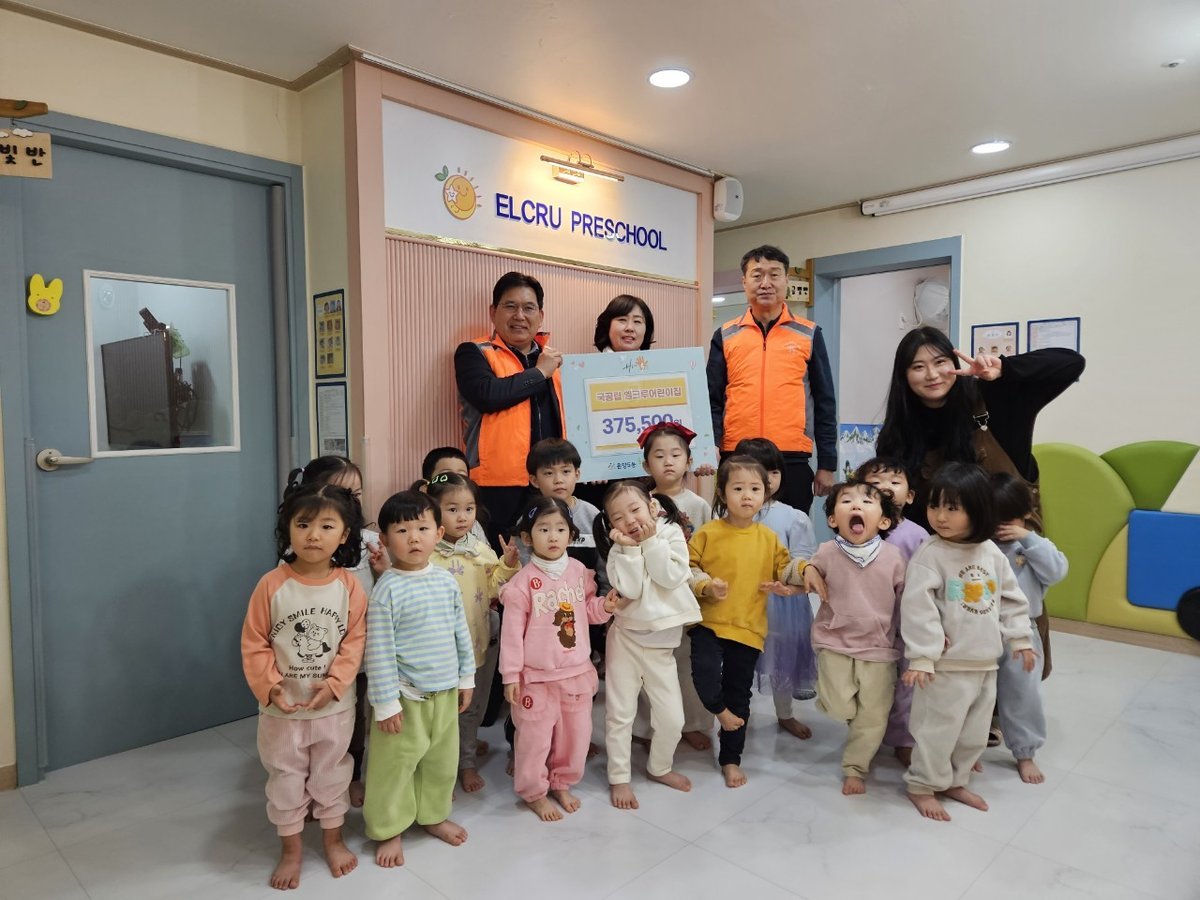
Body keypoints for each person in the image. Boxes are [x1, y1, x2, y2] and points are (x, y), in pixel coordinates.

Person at [241, 482, 367, 890]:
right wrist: (269, 686)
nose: (314, 535)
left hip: (334, 708)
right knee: (285, 778)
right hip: (282, 711)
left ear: (344, 535)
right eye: (303, 524)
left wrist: (335, 684)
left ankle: (333, 840)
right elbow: (255, 641)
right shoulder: (271, 584)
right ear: (288, 529)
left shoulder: (349, 586)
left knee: (332, 774)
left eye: (327, 526)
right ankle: (291, 850)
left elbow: (354, 642)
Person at [900, 463, 1035, 821]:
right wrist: (923, 656)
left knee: (973, 735)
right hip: (945, 668)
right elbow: (917, 609)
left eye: (952, 508)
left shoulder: (990, 553)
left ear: (978, 510)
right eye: (934, 506)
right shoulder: (930, 554)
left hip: (985, 663)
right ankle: (922, 784)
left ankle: (955, 781)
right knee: (937, 732)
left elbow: (1011, 599)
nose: (940, 516)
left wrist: (1020, 638)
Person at [363, 491, 474, 866]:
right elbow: (378, 650)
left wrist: (466, 678)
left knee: (441, 762)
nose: (413, 538)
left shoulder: (445, 581)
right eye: (402, 530)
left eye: (423, 528)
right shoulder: (387, 589)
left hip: (445, 694)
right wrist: (385, 703)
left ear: (438, 533)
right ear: (384, 539)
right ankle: (389, 828)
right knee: (394, 767)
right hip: (405, 698)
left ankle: (433, 816)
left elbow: (460, 631)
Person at [687, 455, 807, 788]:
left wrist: (804, 571)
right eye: (738, 488)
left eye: (755, 489)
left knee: (739, 694)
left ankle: (730, 759)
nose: (747, 496)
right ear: (722, 493)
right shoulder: (708, 533)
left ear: (765, 494)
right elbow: (689, 568)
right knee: (705, 677)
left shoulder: (767, 538)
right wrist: (707, 585)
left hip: (749, 630)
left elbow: (786, 568)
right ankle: (720, 712)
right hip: (709, 623)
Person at [500, 495, 616, 821]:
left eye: (560, 529)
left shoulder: (579, 572)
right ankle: (534, 792)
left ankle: (562, 782)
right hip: (536, 679)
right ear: (527, 537)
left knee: (575, 738)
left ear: (571, 535)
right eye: (544, 529)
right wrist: (511, 676)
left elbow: (587, 612)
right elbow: (511, 634)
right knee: (534, 741)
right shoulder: (522, 583)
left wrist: (605, 607)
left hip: (576, 673)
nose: (553, 536)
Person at [283, 455, 386, 808]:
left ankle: (351, 775)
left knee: (355, 718)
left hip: (359, 654)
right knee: (318, 720)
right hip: (315, 658)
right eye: (343, 493)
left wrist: (385, 570)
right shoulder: (302, 546)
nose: (351, 502)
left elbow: (386, 595)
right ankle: (311, 778)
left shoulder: (370, 542)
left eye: (356, 494)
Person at [595, 481, 701, 809]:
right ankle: (619, 777)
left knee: (672, 718)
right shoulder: (618, 549)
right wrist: (629, 549)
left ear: (652, 507)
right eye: (618, 517)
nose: (629, 520)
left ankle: (660, 767)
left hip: (661, 648)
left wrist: (650, 542)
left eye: (635, 509)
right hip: (625, 640)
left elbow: (669, 576)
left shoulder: (671, 534)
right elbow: (631, 590)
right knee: (620, 714)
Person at [707, 245, 837, 514]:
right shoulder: (725, 335)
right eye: (757, 275)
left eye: (774, 274)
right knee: (737, 533)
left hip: (791, 458)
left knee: (790, 532)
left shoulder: (809, 334)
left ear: (786, 280)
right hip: (737, 456)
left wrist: (827, 463)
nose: (765, 283)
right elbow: (712, 399)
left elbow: (825, 401)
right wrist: (713, 444)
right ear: (744, 282)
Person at [802, 481, 906, 795]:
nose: (857, 505)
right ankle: (851, 719)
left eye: (867, 502)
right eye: (847, 501)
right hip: (834, 640)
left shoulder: (894, 557)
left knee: (873, 716)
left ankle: (855, 767)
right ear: (833, 519)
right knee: (838, 707)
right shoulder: (827, 551)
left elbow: (908, 602)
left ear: (884, 522)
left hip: (879, 648)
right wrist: (806, 569)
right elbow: (809, 571)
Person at [424, 473, 520, 794]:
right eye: (452, 509)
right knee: (437, 713)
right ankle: (437, 768)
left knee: (470, 709)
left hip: (475, 645)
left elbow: (493, 588)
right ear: (433, 509)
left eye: (469, 508)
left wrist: (507, 565)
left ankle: (466, 763)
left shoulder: (480, 550)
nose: (462, 516)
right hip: (436, 652)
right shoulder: (425, 553)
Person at [455, 272, 564, 548]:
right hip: (496, 486)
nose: (520, 316)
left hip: (548, 482)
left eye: (528, 308)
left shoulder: (553, 361)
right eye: (510, 306)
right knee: (499, 561)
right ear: (493, 312)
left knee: (549, 557)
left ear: (540, 315)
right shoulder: (474, 352)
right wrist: (539, 373)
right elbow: (488, 395)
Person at [637, 421, 714, 750]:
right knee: (648, 664)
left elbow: (709, 551)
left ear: (688, 461)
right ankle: (647, 728)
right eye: (659, 456)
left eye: (675, 455)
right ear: (646, 465)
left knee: (685, 661)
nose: (668, 461)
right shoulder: (639, 503)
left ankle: (692, 723)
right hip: (648, 595)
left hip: (685, 595)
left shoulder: (698, 505)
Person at [735, 437, 819, 740]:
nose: (768, 479)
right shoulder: (728, 517)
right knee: (740, 662)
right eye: (760, 471)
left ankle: (785, 714)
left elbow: (802, 561)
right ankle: (738, 715)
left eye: (774, 471)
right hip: (742, 604)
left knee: (781, 658)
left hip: (782, 606)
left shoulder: (793, 517)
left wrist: (784, 577)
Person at [991, 472, 1067, 784]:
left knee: (1023, 694)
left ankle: (1025, 752)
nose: (1000, 527)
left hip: (1021, 632)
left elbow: (1057, 571)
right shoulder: (977, 544)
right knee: (971, 692)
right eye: (993, 518)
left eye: (1008, 519)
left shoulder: (1032, 546)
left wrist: (1028, 537)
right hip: (978, 629)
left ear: (1025, 514)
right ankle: (965, 747)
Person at [855, 456, 929, 766]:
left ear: (909, 496)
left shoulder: (917, 535)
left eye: (895, 482)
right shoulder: (855, 532)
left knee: (906, 686)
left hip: (906, 625)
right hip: (866, 625)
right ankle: (865, 736)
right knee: (867, 684)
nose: (885, 487)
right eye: (875, 482)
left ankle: (902, 739)